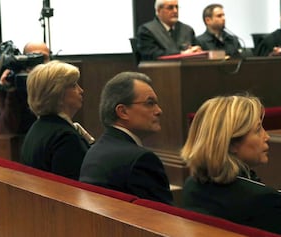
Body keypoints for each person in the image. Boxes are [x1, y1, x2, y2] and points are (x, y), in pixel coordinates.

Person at [181, 94, 281, 237]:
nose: (267, 136)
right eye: (258, 129)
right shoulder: (266, 201)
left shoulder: (192, 185)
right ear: (232, 142)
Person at [79, 71, 173, 205]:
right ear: (123, 111)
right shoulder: (141, 159)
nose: (159, 111)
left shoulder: (95, 150)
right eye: (150, 103)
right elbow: (167, 219)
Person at [20, 60, 91, 180]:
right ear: (57, 93)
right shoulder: (65, 137)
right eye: (74, 85)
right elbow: (72, 190)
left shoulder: (37, 128)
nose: (81, 90)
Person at [0, 41, 51, 135]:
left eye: (43, 58)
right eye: (32, 58)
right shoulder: (14, 81)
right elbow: (6, 129)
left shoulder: (55, 81)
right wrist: (11, 91)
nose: (39, 64)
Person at [136, 0, 202, 60]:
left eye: (177, 7)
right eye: (170, 8)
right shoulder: (147, 30)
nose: (175, 11)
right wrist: (181, 54)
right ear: (159, 10)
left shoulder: (187, 29)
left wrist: (196, 50)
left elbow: (194, 48)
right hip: (160, 70)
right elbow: (152, 54)